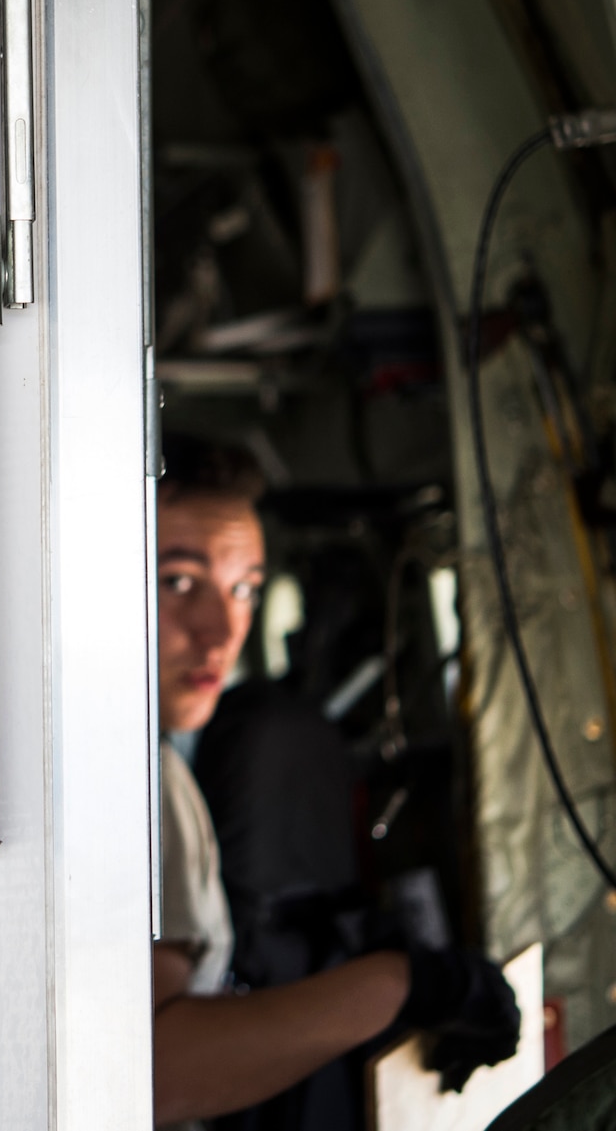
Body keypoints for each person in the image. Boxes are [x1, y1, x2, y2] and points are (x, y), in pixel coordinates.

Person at [152, 436, 519, 1127]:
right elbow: (151, 1069)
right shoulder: (136, 781)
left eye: (245, 589)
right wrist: (402, 981)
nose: (221, 630)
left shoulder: (155, 761)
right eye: (178, 580)